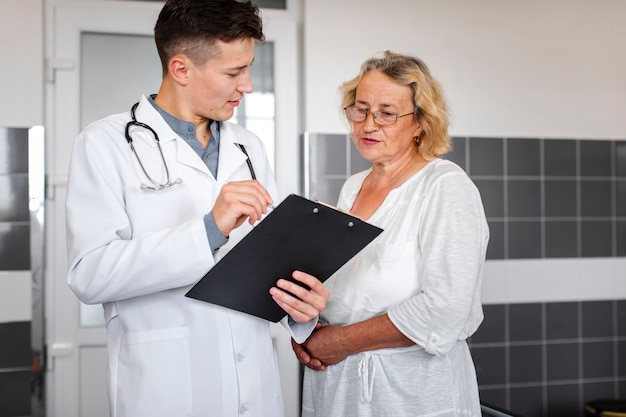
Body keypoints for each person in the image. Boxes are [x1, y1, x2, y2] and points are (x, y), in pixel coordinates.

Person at [65, 1, 329, 416]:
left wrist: (301, 306)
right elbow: (89, 275)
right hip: (166, 387)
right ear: (181, 69)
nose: (248, 85)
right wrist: (209, 229)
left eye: (248, 67)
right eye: (233, 72)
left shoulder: (249, 145)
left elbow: (264, 263)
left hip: (255, 382)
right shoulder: (105, 143)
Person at [292, 51, 490, 417]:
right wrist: (307, 334)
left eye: (386, 113)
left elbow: (444, 310)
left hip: (409, 393)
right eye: (361, 109)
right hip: (339, 385)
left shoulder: (445, 187)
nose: (369, 124)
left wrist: (340, 341)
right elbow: (346, 292)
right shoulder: (352, 188)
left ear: (420, 123)